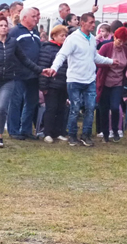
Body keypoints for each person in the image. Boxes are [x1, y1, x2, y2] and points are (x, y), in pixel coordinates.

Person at [41, 13, 117, 147]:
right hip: (75, 79)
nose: (93, 25)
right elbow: (62, 55)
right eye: (91, 22)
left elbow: (95, 57)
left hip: (90, 79)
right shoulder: (72, 39)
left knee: (90, 108)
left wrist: (110, 61)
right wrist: (54, 68)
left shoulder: (92, 39)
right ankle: (72, 135)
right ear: (82, 23)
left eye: (94, 22)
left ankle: (86, 135)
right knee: (75, 109)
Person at [0, 17, 45, 148]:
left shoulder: (13, 42)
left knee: (1, 108)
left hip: (8, 80)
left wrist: (40, 70)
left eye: (5, 25)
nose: (4, 27)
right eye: (1, 25)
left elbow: (25, 60)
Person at [7, 7, 42, 140]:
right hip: (18, 73)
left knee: (31, 101)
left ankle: (26, 129)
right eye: (33, 16)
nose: (36, 18)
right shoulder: (15, 31)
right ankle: (13, 130)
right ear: (24, 18)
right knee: (15, 102)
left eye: (37, 16)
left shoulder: (36, 32)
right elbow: (9, 50)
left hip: (33, 73)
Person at [39, 25, 69, 143]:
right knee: (51, 109)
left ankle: (58, 132)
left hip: (63, 83)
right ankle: (47, 132)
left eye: (65, 35)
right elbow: (43, 66)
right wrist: (43, 86)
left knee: (61, 109)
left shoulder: (66, 49)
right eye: (62, 35)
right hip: (51, 84)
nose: (64, 38)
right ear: (54, 36)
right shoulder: (48, 49)